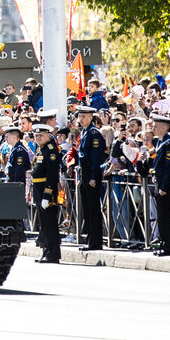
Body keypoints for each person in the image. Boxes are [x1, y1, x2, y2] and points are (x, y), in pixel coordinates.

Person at [31, 123, 63, 263]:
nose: (38, 137)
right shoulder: (41, 149)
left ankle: (53, 254)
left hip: (46, 190)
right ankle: (46, 251)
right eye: (36, 135)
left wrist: (47, 195)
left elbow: (51, 175)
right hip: (39, 189)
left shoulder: (50, 151)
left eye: (41, 135)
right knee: (43, 223)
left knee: (50, 223)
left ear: (48, 135)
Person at [77, 106, 105, 251]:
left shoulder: (94, 133)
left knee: (93, 208)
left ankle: (95, 241)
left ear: (90, 117)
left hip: (91, 173)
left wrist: (93, 177)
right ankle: (90, 238)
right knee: (87, 208)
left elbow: (95, 157)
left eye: (83, 116)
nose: (80, 119)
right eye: (79, 116)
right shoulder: (85, 132)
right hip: (84, 173)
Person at [150, 114, 170, 256]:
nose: (153, 128)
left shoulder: (168, 143)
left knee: (166, 217)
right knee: (161, 217)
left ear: (164, 127)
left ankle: (169, 246)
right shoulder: (160, 142)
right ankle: (164, 243)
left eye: (156, 126)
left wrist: (164, 187)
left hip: (165, 185)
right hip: (159, 181)